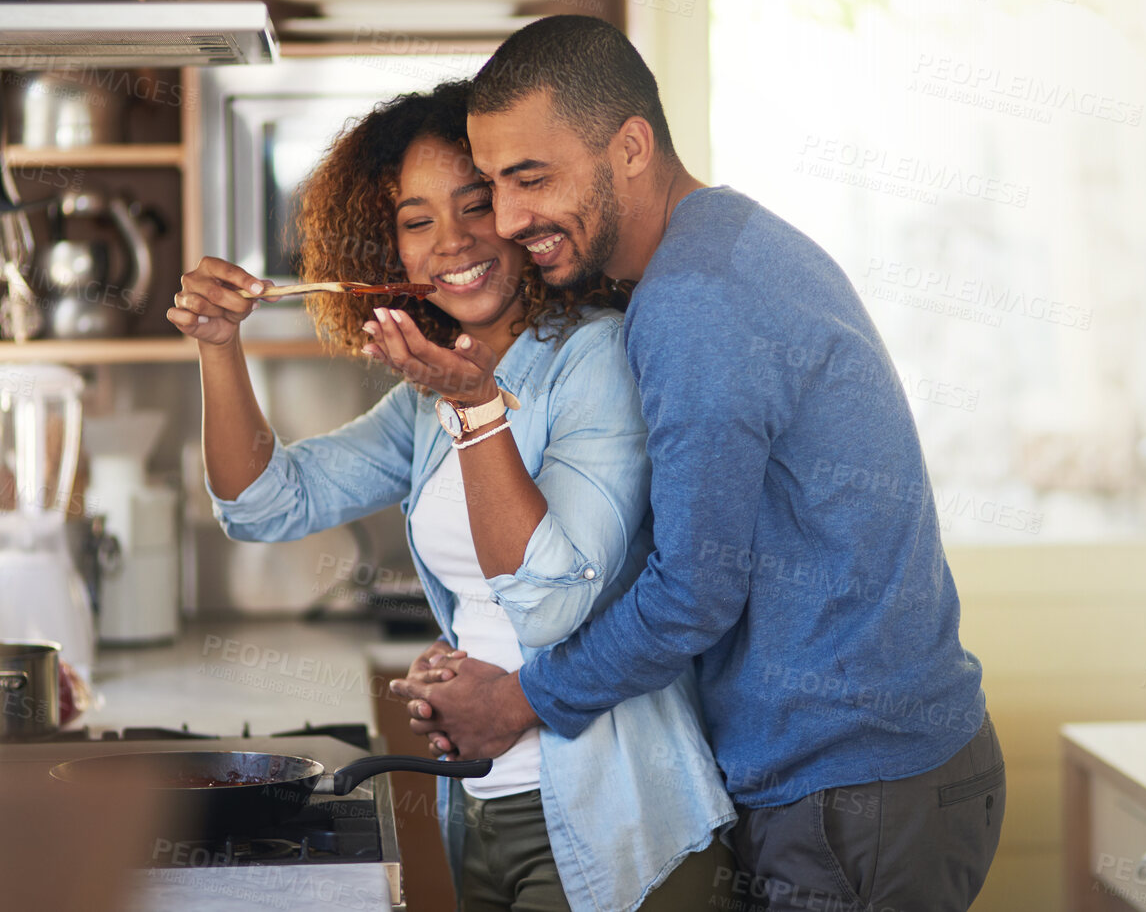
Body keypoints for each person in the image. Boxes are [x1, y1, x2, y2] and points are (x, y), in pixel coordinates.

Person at [392, 17, 1005, 911]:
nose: (512, 219)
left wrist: (524, 697)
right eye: (496, 185)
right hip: (878, 775)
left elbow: (694, 592)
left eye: (533, 178)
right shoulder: (723, 243)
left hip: (849, 795)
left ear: (631, 147)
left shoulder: (690, 304)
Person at [167, 80, 736, 912]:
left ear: (521, 212)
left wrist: (476, 411)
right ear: (386, 250)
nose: (452, 241)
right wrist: (221, 347)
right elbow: (265, 503)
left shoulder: (593, 356)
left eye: (476, 205)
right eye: (416, 220)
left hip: (618, 817)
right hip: (481, 805)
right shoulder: (431, 397)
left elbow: (546, 601)